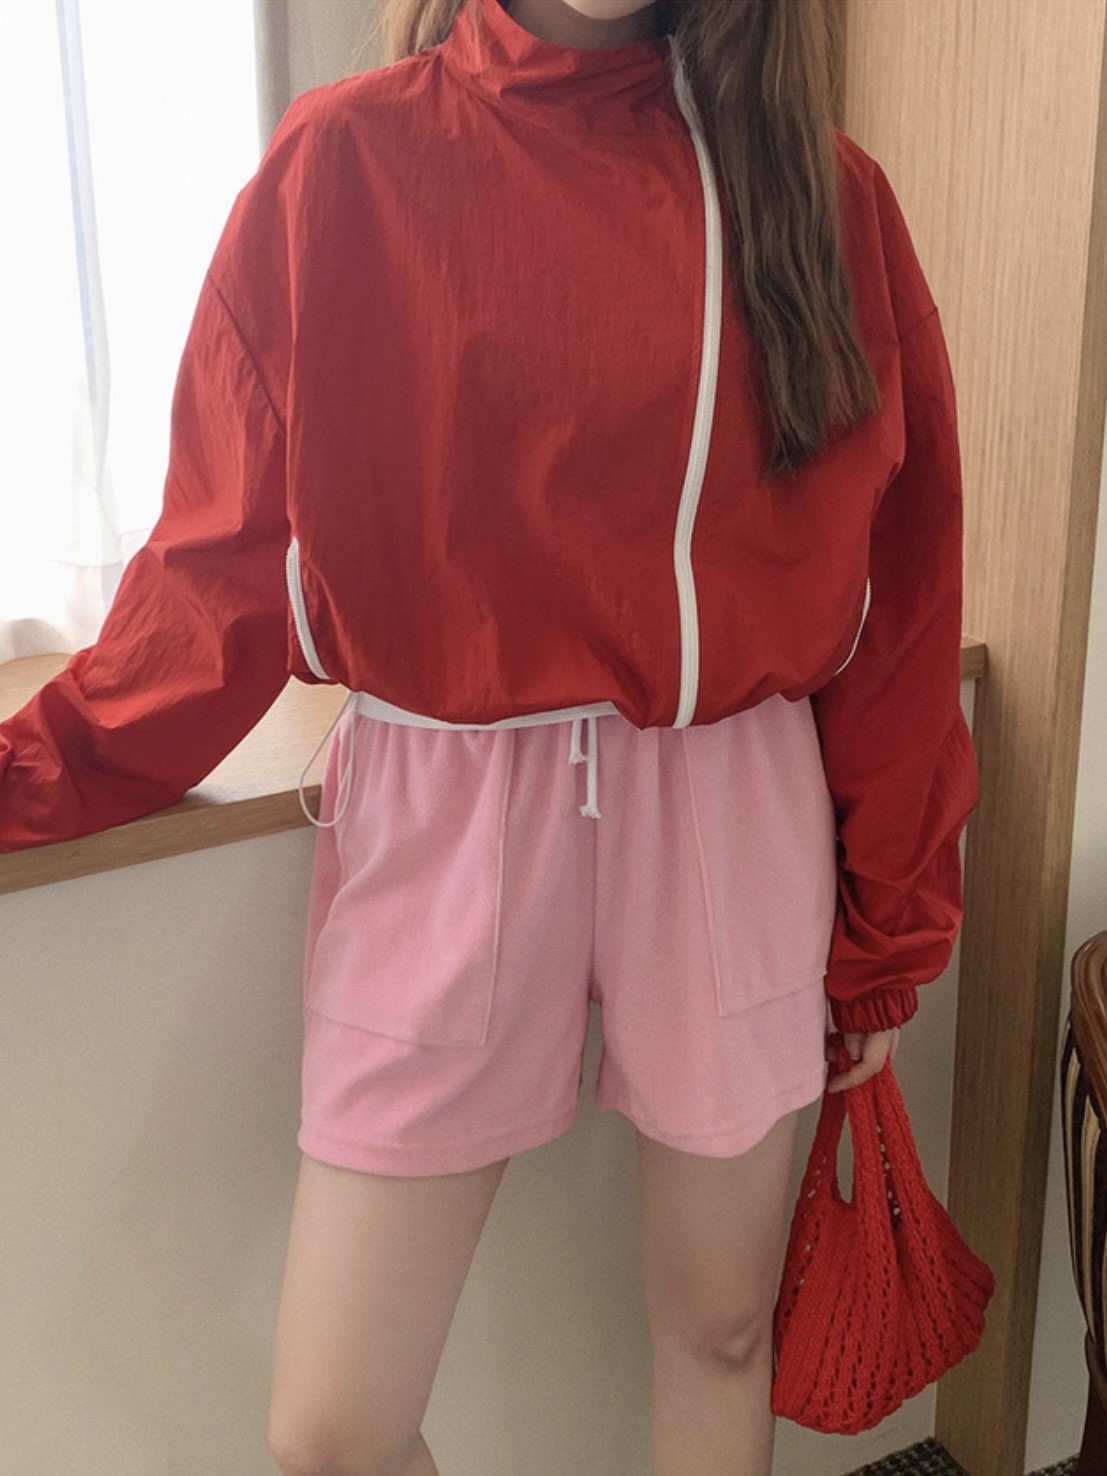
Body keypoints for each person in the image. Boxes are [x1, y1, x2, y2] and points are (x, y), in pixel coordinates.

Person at [0, 0, 980, 1471]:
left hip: (728, 797)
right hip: (443, 798)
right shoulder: (344, 164)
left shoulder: (820, 191)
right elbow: (220, 566)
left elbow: (899, 583)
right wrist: (37, 771)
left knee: (720, 1332)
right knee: (335, 1428)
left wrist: (891, 916)